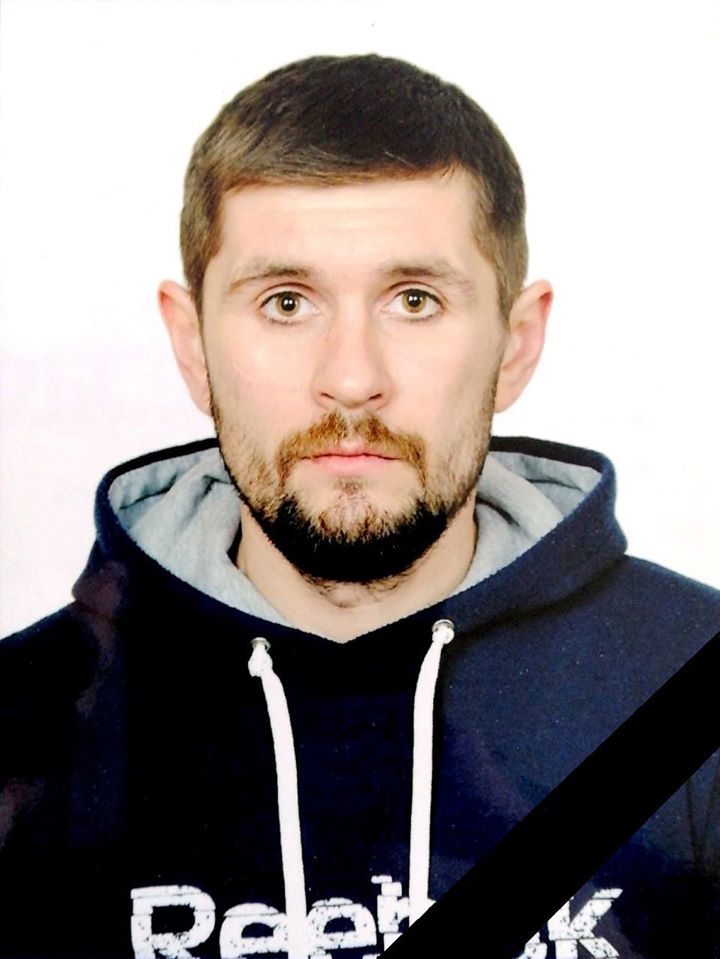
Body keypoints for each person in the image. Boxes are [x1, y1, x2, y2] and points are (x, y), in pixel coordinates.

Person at [0, 53, 718, 959]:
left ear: (515, 343)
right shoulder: (22, 723)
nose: (350, 377)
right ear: (192, 346)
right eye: (286, 301)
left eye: (414, 300)